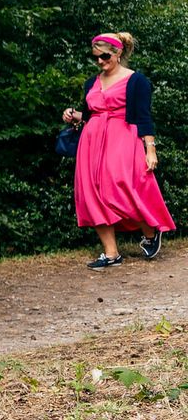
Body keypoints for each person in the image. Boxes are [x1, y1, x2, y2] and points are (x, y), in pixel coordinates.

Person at [62, 31, 174, 268]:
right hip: (91, 142)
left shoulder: (137, 81)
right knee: (92, 194)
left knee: (121, 187)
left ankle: (150, 231)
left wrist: (150, 149)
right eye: (96, 58)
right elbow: (91, 113)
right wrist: (74, 115)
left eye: (104, 56)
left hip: (122, 138)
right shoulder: (91, 82)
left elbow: (144, 117)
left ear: (118, 53)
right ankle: (111, 253)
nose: (100, 61)